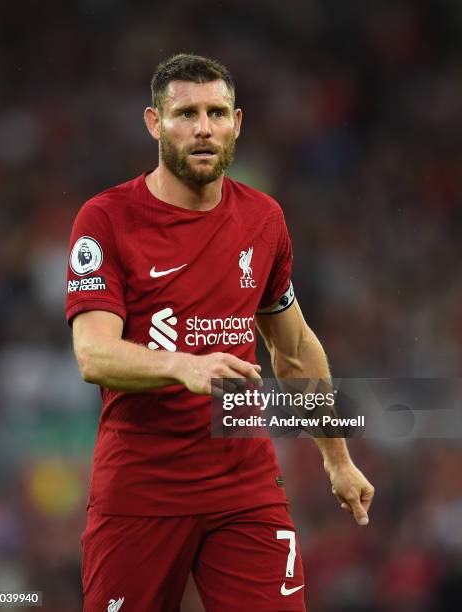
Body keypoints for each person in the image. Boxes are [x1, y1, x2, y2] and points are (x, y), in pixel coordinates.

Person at [66, 53, 374, 612]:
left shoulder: (264, 219)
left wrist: (337, 457)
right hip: (142, 488)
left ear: (237, 122)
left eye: (216, 112)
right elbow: (92, 355)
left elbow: (295, 348)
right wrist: (184, 365)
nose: (203, 128)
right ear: (154, 123)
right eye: (185, 113)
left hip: (244, 484)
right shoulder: (106, 218)